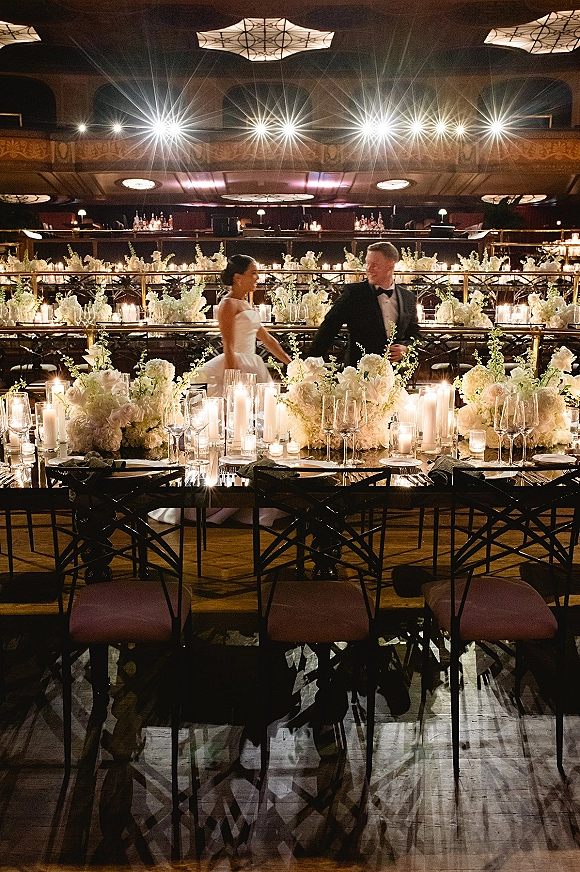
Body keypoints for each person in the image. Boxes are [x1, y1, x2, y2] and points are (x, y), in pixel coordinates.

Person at [308, 241, 420, 366]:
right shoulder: (354, 293)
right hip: (358, 372)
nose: (369, 269)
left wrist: (406, 349)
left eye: (375, 265)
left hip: (395, 373)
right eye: (367, 264)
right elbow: (329, 327)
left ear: (391, 266)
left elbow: (415, 333)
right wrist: (309, 362)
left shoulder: (408, 297)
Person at [197, 254, 291, 395]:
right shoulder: (228, 304)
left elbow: (267, 339)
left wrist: (292, 364)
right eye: (253, 273)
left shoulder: (245, 303)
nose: (257, 278)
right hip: (236, 365)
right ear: (238, 278)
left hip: (252, 363)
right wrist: (232, 379)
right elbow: (228, 345)